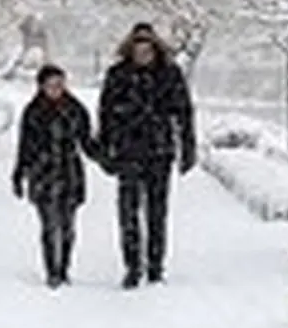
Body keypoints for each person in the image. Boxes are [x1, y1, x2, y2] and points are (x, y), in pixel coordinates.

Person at [97, 23, 197, 289]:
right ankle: (132, 266)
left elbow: (184, 112)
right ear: (130, 49)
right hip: (128, 151)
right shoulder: (117, 75)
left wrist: (188, 148)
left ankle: (155, 267)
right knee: (128, 212)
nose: (143, 53)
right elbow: (105, 114)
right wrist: (105, 150)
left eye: (147, 49)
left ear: (155, 49)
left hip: (159, 151)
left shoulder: (170, 74)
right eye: (138, 49)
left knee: (157, 212)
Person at [11, 65, 98, 288]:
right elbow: (25, 147)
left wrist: (108, 159)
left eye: (60, 85)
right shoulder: (33, 112)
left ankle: (65, 267)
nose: (56, 89)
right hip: (43, 174)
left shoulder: (76, 109)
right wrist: (19, 174)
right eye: (51, 85)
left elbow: (87, 142)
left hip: (70, 173)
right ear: (41, 87)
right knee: (49, 224)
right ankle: (52, 270)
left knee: (68, 225)